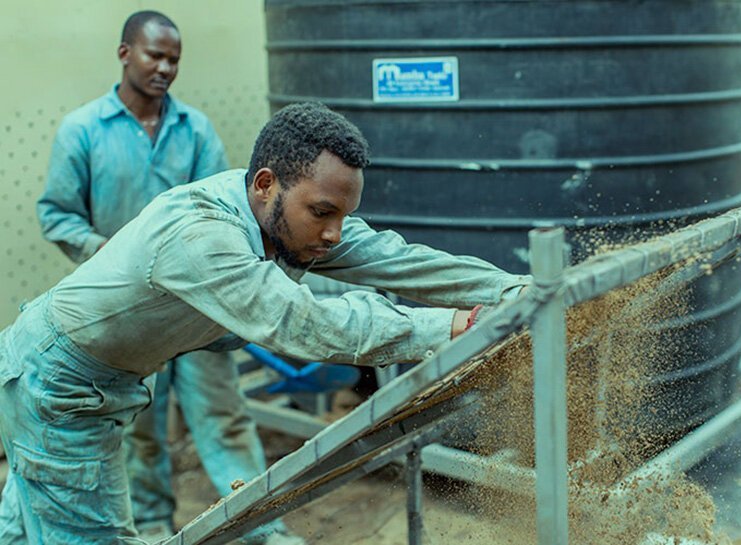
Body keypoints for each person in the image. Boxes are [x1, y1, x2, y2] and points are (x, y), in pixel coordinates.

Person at [0, 101, 529, 544]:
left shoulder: (286, 216)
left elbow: (397, 258)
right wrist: (454, 327)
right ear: (265, 183)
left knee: (22, 531)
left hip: (105, 377)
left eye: (343, 216)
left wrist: (517, 292)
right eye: (322, 213)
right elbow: (302, 322)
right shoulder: (202, 235)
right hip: (60, 386)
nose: (334, 234)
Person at [32, 11, 300, 544]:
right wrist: (103, 249)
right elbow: (57, 214)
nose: (165, 68)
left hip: (198, 309)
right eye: (154, 55)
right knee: (141, 430)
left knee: (224, 415)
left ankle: (260, 526)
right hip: (128, 313)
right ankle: (153, 524)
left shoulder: (195, 130)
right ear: (124, 53)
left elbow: (228, 214)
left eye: (174, 59)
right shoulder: (84, 131)